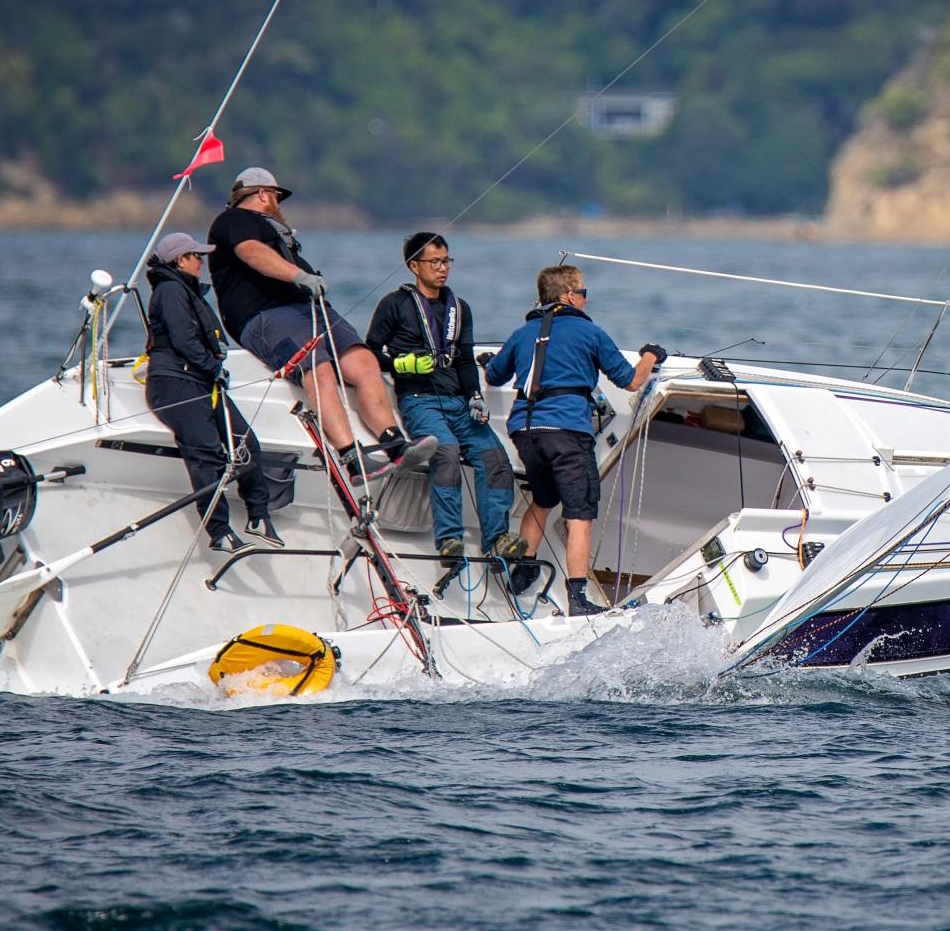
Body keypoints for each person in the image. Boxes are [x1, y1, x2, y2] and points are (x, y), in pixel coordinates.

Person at [206, 168, 433, 488]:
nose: (278, 204)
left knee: (363, 361)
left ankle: (394, 443)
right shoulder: (234, 221)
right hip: (265, 316)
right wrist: (299, 276)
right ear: (262, 194)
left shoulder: (276, 230)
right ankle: (352, 457)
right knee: (318, 366)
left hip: (308, 310)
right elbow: (250, 252)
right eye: (276, 197)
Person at [482, 264, 666, 615]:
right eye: (583, 291)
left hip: (526, 432)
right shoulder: (588, 332)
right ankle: (578, 598)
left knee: (543, 498)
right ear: (569, 296)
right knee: (579, 514)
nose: (586, 297)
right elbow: (630, 381)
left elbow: (493, 373)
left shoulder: (524, 332)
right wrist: (651, 356)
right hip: (567, 431)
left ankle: (523, 571)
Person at [367, 232, 523, 571]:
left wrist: (475, 397)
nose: (443, 269)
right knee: (446, 451)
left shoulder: (460, 308)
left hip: (457, 401)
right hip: (419, 400)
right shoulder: (394, 304)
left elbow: (465, 360)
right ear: (413, 266)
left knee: (495, 458)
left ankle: (498, 538)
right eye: (435, 262)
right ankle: (449, 539)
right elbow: (369, 352)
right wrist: (401, 364)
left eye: (447, 261)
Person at [142, 231, 280, 553]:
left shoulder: (187, 292)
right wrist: (213, 366)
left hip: (203, 381)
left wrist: (212, 370)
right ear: (180, 260)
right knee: (206, 452)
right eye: (196, 257)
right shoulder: (171, 290)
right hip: (176, 383)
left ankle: (258, 515)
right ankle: (219, 531)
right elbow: (183, 340)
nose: (201, 263)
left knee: (247, 443)